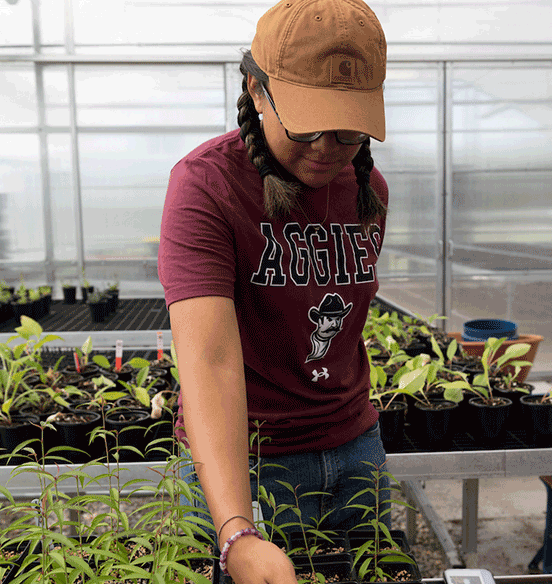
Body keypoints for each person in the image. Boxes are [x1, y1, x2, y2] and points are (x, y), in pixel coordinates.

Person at [158, 0, 390, 581]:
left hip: (356, 450)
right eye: (306, 123)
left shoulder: (370, 190)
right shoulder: (207, 185)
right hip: (250, 464)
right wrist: (236, 528)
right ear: (257, 91)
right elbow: (208, 362)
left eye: (348, 127)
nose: (327, 146)